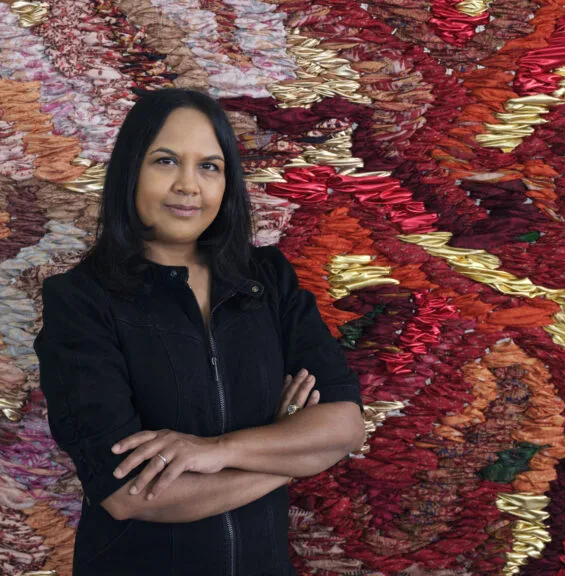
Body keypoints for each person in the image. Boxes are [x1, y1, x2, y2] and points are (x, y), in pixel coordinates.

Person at [33, 88, 365, 576]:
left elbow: (345, 426)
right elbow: (129, 494)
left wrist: (215, 453)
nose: (190, 186)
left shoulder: (268, 279)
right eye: (166, 161)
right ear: (130, 172)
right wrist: (292, 450)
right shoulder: (81, 301)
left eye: (210, 166)